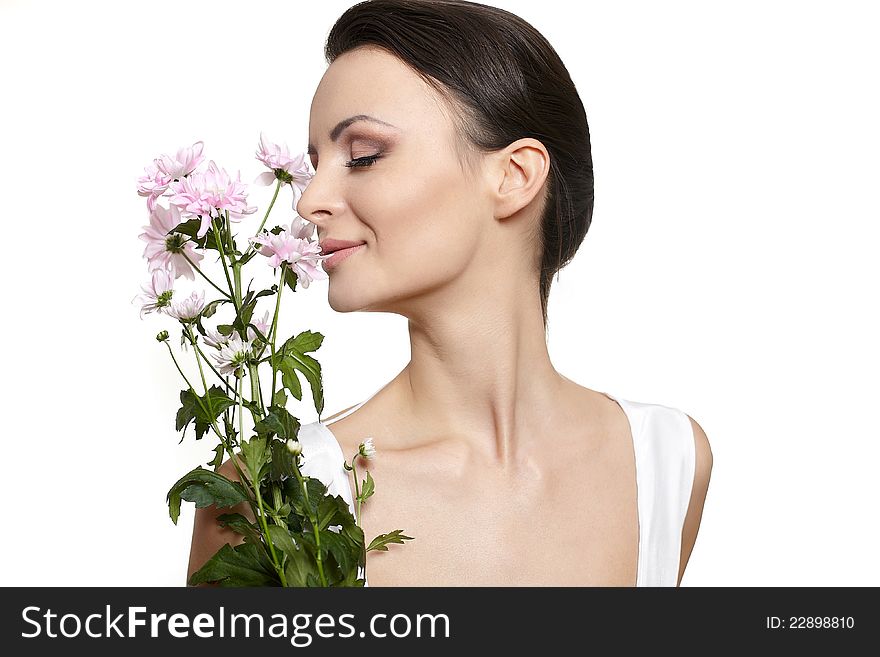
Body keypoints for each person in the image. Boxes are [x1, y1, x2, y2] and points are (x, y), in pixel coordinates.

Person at [188, 0, 712, 587]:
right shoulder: (270, 496)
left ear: (513, 176)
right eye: (316, 164)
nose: (309, 201)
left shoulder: (664, 461)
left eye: (362, 156)